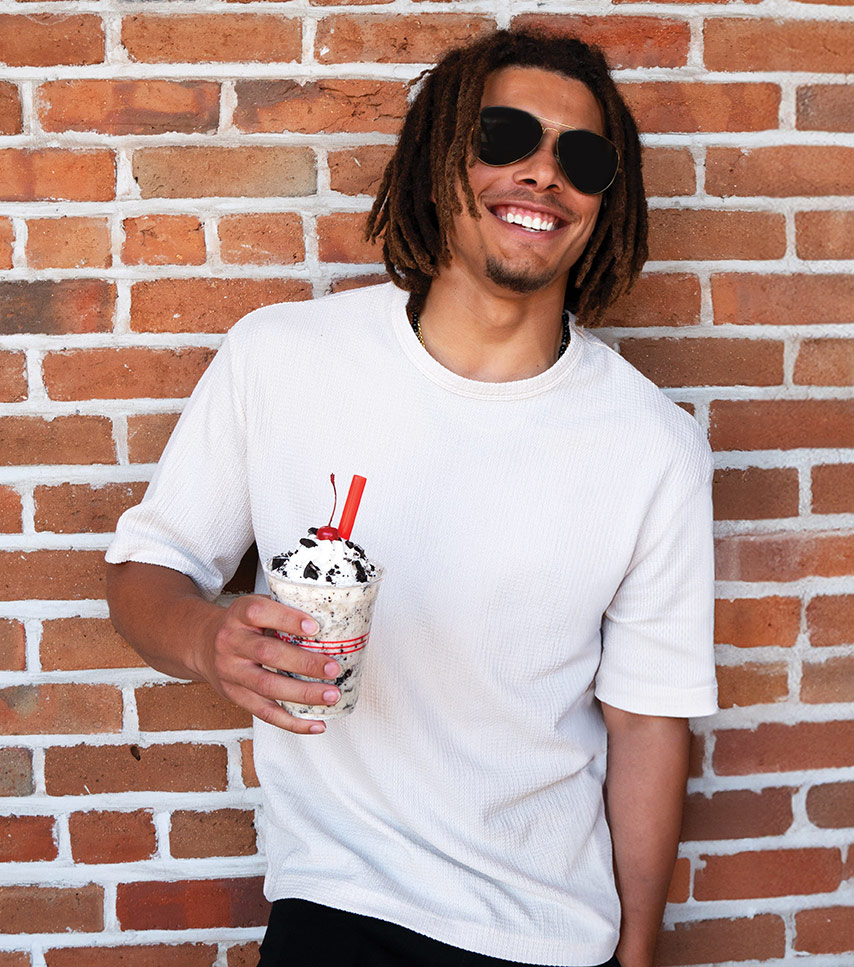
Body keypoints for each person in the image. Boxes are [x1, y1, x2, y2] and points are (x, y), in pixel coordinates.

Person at [106, 28, 717, 967]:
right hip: (340, 905)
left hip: (547, 933)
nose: (544, 173)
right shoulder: (285, 358)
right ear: (441, 158)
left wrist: (636, 954)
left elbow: (645, 723)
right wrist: (207, 640)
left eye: (582, 157)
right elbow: (151, 565)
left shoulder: (652, 446)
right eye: (506, 135)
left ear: (605, 200)